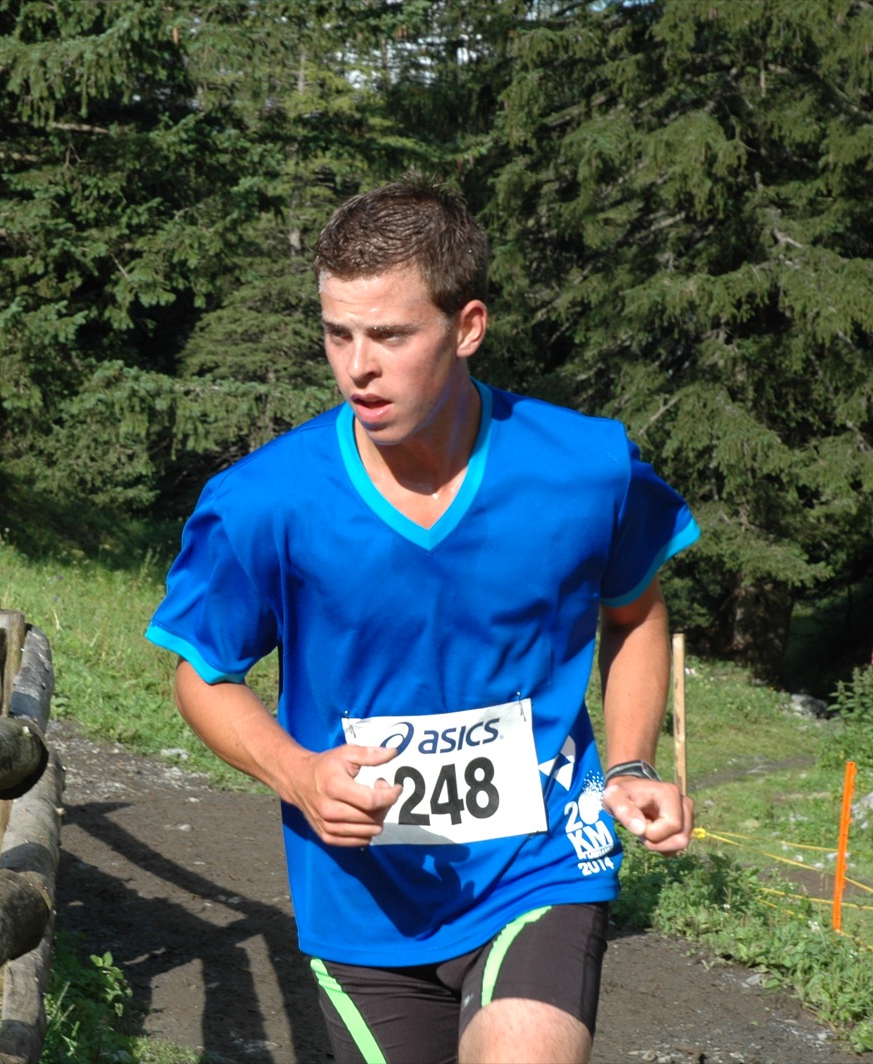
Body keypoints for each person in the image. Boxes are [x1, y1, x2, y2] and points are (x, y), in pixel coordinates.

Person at [145, 174, 700, 1064]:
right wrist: (299, 774)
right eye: (338, 334)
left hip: (541, 864)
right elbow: (202, 672)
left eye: (391, 335)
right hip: (361, 901)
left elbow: (635, 613)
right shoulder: (265, 501)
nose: (357, 366)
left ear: (467, 327)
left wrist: (630, 762)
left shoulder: (584, 467)